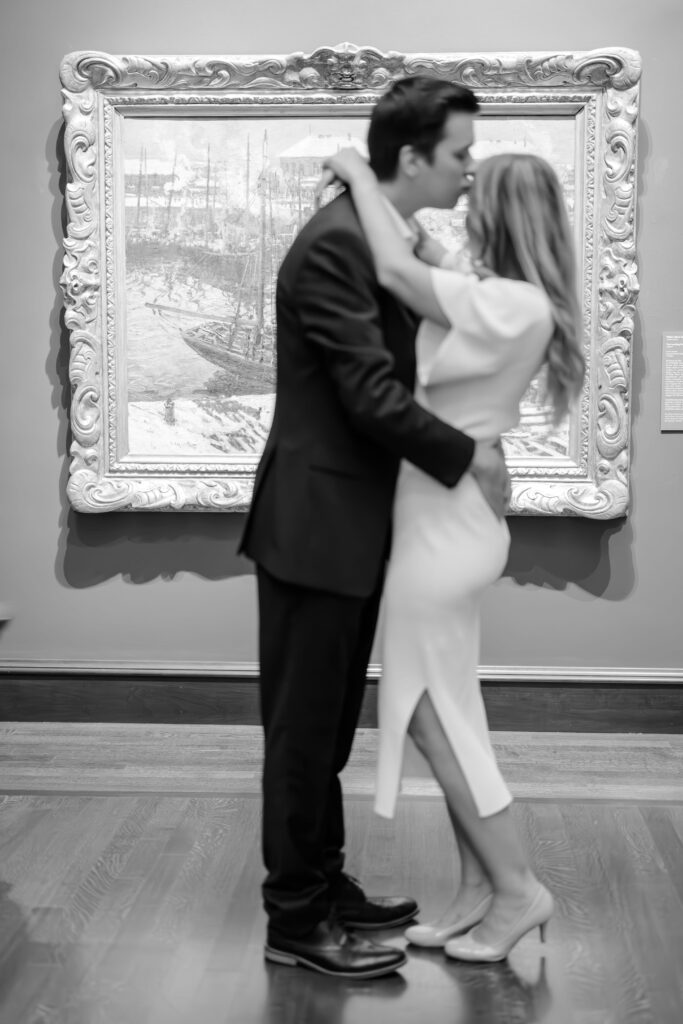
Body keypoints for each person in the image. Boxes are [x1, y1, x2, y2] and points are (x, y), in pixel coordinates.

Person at [238, 76, 510, 979]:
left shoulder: (374, 233)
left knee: (328, 728)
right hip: (315, 525)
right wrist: (468, 455)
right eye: (460, 154)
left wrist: (354, 170)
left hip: (350, 528)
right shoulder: (334, 247)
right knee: (303, 732)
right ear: (412, 158)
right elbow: (368, 394)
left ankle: (324, 883)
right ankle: (293, 920)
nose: (470, 171)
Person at [321, 144, 585, 963]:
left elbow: (402, 274)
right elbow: (426, 260)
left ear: (501, 214)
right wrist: (397, 212)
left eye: (476, 192)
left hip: (444, 532)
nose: (461, 201)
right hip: (446, 523)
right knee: (449, 711)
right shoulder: (501, 297)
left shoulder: (510, 304)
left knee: (427, 716)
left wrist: (363, 178)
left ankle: (516, 891)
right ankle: (479, 890)